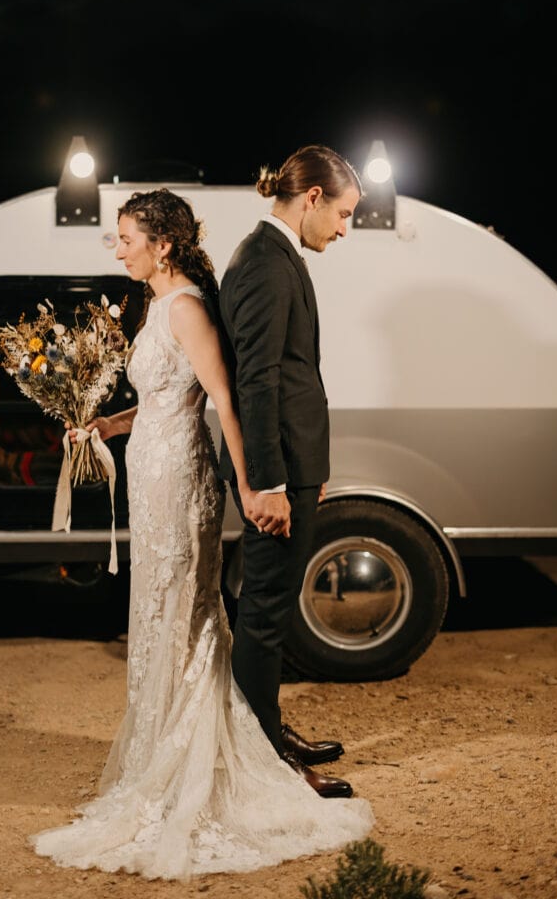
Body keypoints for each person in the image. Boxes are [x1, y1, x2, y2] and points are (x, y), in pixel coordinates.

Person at [29, 187, 373, 881]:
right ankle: (174, 748)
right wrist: (106, 425)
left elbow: (222, 398)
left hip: (181, 480)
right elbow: (163, 398)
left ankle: (223, 754)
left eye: (123, 237)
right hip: (150, 475)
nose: (115, 248)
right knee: (162, 615)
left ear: (161, 243)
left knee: (183, 612)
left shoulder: (185, 305)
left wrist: (251, 486)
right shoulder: (160, 304)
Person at [218, 144, 362, 797]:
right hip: (275, 474)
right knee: (265, 613)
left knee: (270, 611)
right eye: (343, 213)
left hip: (294, 467)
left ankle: (268, 730)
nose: (343, 227)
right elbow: (257, 379)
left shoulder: (277, 255)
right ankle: (264, 762)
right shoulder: (262, 263)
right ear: (311, 199)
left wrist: (308, 471)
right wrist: (270, 483)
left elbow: (293, 373)